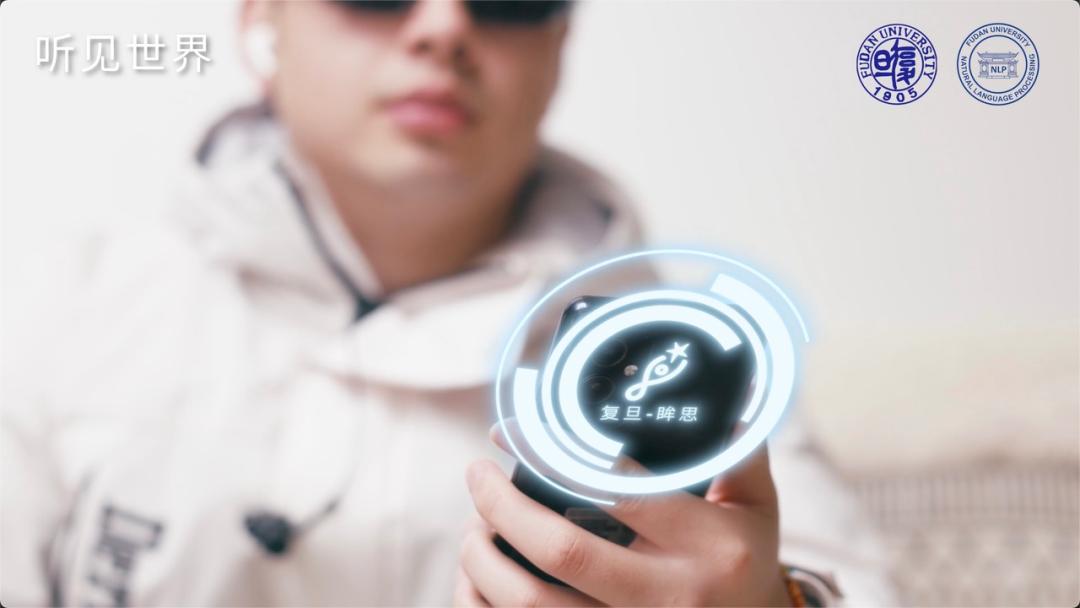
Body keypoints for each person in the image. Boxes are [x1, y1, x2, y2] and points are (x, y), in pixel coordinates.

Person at [1, 1, 894, 605]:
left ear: (559, 50)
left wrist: (776, 603)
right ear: (261, 22)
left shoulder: (685, 353)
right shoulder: (62, 304)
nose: (444, 24)